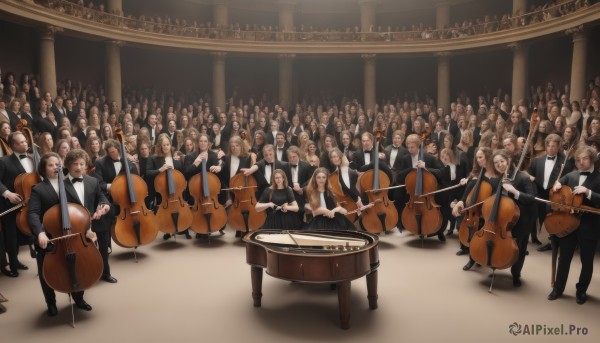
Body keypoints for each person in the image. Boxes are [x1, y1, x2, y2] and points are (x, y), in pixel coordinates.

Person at [28, 151, 110, 316]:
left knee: (79, 265)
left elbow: (78, 212)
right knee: (46, 271)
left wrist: (86, 229)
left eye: (57, 164)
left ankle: (79, 298)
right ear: (43, 168)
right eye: (50, 165)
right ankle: (51, 303)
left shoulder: (67, 183)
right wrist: (40, 233)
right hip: (51, 237)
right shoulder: (38, 189)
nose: (55, 167)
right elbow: (33, 214)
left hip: (73, 234)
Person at [548, 145, 600, 304]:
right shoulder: (570, 176)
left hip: (589, 226)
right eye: (578, 159)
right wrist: (556, 186)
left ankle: (581, 291)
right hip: (568, 224)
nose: (581, 162)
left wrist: (588, 192)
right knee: (564, 258)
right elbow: (555, 193)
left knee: (587, 261)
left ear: (592, 160)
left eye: (585, 159)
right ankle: (558, 288)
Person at [491, 149, 536, 287]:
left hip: (521, 220)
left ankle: (516, 274)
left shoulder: (523, 177)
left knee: (519, 249)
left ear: (508, 160)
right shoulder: (498, 179)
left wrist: (514, 191)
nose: (499, 164)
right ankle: (496, 265)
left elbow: (531, 198)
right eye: (496, 163)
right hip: (503, 220)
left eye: (501, 161)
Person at [0, 132, 32, 277]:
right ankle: (12, 263)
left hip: (28, 204)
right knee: (12, 236)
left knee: (22, 235)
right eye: (21, 142)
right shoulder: (4, 161)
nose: (25, 144)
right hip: (10, 204)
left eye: (25, 141)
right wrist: (8, 194)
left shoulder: (32, 159)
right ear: (13, 146)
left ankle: (17, 261)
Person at [146, 133, 186, 240]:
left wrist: (178, 161)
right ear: (159, 146)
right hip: (162, 191)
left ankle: (182, 227)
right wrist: (160, 170)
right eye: (164, 145)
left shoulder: (175, 157)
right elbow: (148, 173)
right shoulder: (154, 159)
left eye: (168, 144)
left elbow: (182, 173)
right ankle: (168, 229)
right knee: (165, 210)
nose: (166, 147)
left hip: (176, 190)